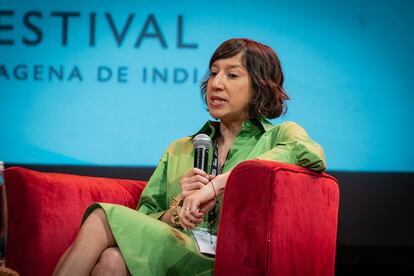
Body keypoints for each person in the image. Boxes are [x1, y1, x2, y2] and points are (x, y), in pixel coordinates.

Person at [53, 38, 326, 276]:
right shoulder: (181, 148)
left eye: (232, 75)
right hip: (177, 252)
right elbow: (145, 216)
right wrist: (179, 210)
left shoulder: (278, 136)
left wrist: (215, 186)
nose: (216, 84)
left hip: (228, 262)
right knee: (112, 259)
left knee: (102, 216)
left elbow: (310, 153)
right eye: (213, 73)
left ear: (258, 85)